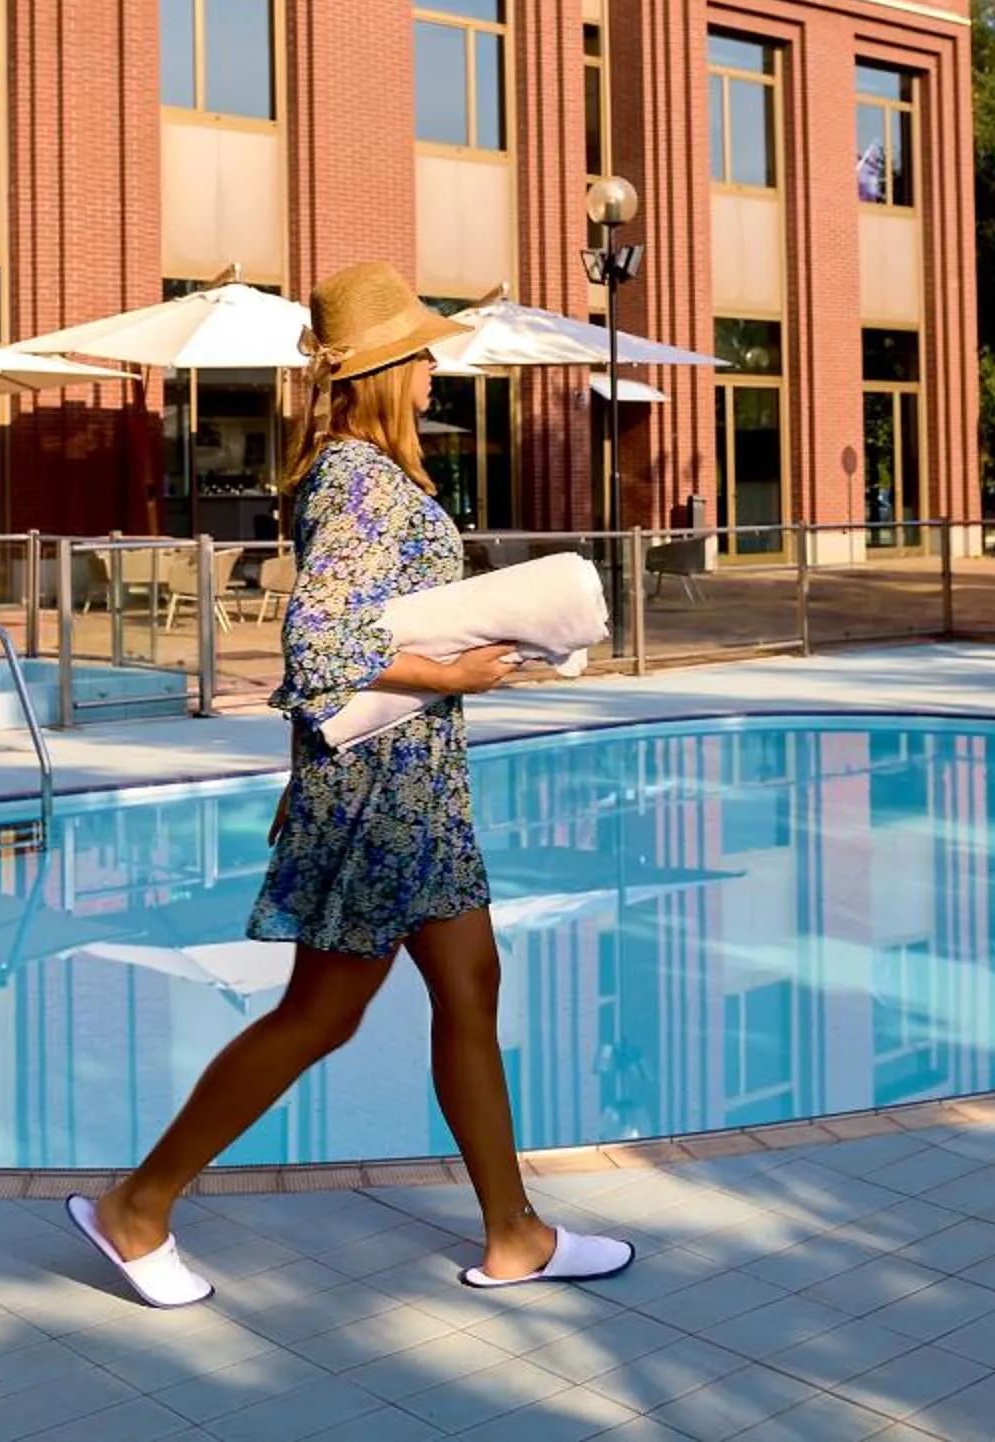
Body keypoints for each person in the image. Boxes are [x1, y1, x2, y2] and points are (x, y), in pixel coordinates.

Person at [68, 261, 633, 1309]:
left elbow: (373, 622)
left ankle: (515, 1232)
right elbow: (316, 644)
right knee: (320, 1016)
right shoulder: (356, 478)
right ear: (379, 368)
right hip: (378, 798)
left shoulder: (377, 470)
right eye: (420, 356)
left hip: (420, 792)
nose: (433, 373)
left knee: (471, 987)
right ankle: (136, 1207)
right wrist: (453, 672)